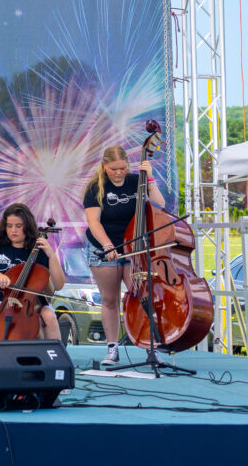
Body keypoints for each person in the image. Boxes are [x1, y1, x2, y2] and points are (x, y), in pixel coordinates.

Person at [82, 145, 165, 366]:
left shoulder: (136, 181)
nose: (119, 172)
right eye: (113, 168)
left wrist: (150, 179)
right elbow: (93, 222)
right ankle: (112, 349)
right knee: (109, 299)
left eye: (122, 168)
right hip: (103, 246)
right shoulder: (95, 188)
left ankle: (150, 347)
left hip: (133, 246)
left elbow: (160, 204)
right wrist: (108, 245)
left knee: (140, 295)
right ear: (104, 166)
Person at [0, 203, 65, 343]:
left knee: (49, 316)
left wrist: (50, 254)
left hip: (31, 303)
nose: (13, 230)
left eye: (18, 226)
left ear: (27, 226)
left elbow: (59, 284)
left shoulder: (39, 250)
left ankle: (55, 360)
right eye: (9, 226)